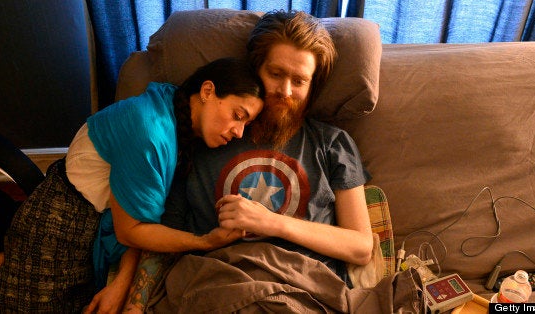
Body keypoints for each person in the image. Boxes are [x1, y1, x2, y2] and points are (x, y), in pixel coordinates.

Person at [0, 57, 264, 313]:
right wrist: (204, 241)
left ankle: (5, 263)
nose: (238, 132)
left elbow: (140, 216)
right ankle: (3, 265)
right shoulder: (150, 132)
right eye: (238, 114)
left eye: (246, 124)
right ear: (207, 91)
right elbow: (132, 231)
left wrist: (122, 283)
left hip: (97, 217)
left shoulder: (174, 108)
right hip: (60, 219)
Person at [120, 9, 378, 312]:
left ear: (312, 87)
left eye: (299, 81)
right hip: (216, 286)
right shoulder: (205, 138)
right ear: (256, 70)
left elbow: (360, 247)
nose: (285, 91)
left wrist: (271, 222)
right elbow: (165, 236)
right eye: (276, 74)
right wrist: (133, 304)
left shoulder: (331, 143)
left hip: (304, 291)